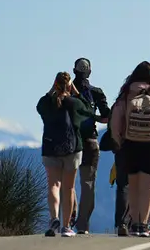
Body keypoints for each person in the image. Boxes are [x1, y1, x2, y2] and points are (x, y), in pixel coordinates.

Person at [110, 61, 150, 237]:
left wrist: (117, 140)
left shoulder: (127, 91)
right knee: (147, 188)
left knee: (133, 186)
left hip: (130, 143)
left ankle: (132, 223)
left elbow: (116, 117)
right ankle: (142, 225)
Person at [37, 72, 94, 237]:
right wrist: (76, 93)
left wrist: (51, 92)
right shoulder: (74, 103)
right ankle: (66, 226)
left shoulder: (47, 103)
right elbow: (88, 110)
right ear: (70, 86)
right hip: (73, 148)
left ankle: (54, 218)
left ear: (54, 84)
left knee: (53, 185)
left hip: (50, 148)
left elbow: (39, 106)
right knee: (69, 187)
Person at [71, 58, 110, 235]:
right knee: (88, 183)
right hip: (90, 142)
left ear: (74, 71)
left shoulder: (66, 92)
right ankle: (82, 224)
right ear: (90, 73)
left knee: (67, 183)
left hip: (69, 142)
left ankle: (67, 219)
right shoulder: (96, 93)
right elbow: (106, 116)